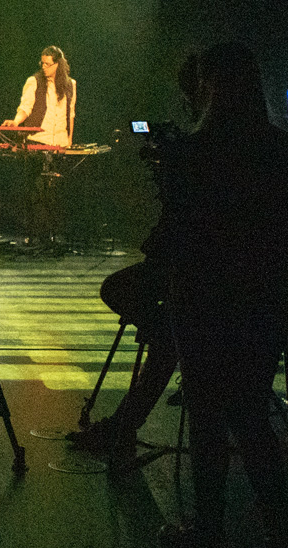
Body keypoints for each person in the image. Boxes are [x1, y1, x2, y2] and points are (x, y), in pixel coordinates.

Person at [150, 41, 288, 548]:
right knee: (251, 414)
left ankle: (209, 534)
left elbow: (173, 233)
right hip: (262, 296)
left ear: (209, 86)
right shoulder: (283, 149)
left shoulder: (189, 154)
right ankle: (279, 539)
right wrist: (272, 235)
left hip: (202, 298)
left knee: (207, 418)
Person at [68, 51, 202, 459]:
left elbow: (180, 217)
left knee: (121, 293)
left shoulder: (197, 150)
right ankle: (125, 422)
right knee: (157, 330)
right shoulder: (270, 146)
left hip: (196, 271)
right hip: (234, 276)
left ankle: (167, 337)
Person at [12, 45, 77, 148]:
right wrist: (16, 121)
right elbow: (25, 107)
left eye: (47, 64)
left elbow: (70, 114)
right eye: (42, 63)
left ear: (57, 65)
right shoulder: (34, 81)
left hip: (61, 142)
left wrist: (69, 139)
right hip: (38, 140)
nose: (43, 67)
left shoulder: (71, 85)